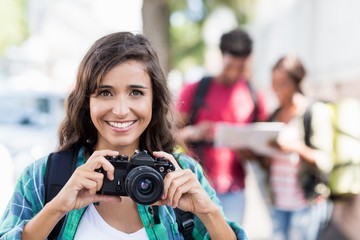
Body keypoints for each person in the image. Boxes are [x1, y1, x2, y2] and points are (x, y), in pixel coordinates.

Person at [0, 32, 247, 239]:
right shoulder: (43, 177)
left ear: (154, 100)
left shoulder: (183, 175)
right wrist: (56, 208)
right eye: (105, 93)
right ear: (86, 101)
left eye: (136, 93)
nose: (120, 111)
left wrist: (209, 213)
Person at [175, 28, 267, 225]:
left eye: (240, 68)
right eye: (230, 66)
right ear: (221, 57)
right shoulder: (195, 90)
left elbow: (263, 146)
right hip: (196, 186)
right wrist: (192, 133)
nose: (234, 73)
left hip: (236, 190)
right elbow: (168, 135)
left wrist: (251, 151)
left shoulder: (253, 95)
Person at [264, 55, 333, 240]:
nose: (276, 89)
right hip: (278, 203)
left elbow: (324, 160)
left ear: (296, 82)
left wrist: (295, 147)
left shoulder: (313, 112)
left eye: (283, 83)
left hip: (305, 203)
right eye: (273, 83)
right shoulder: (274, 115)